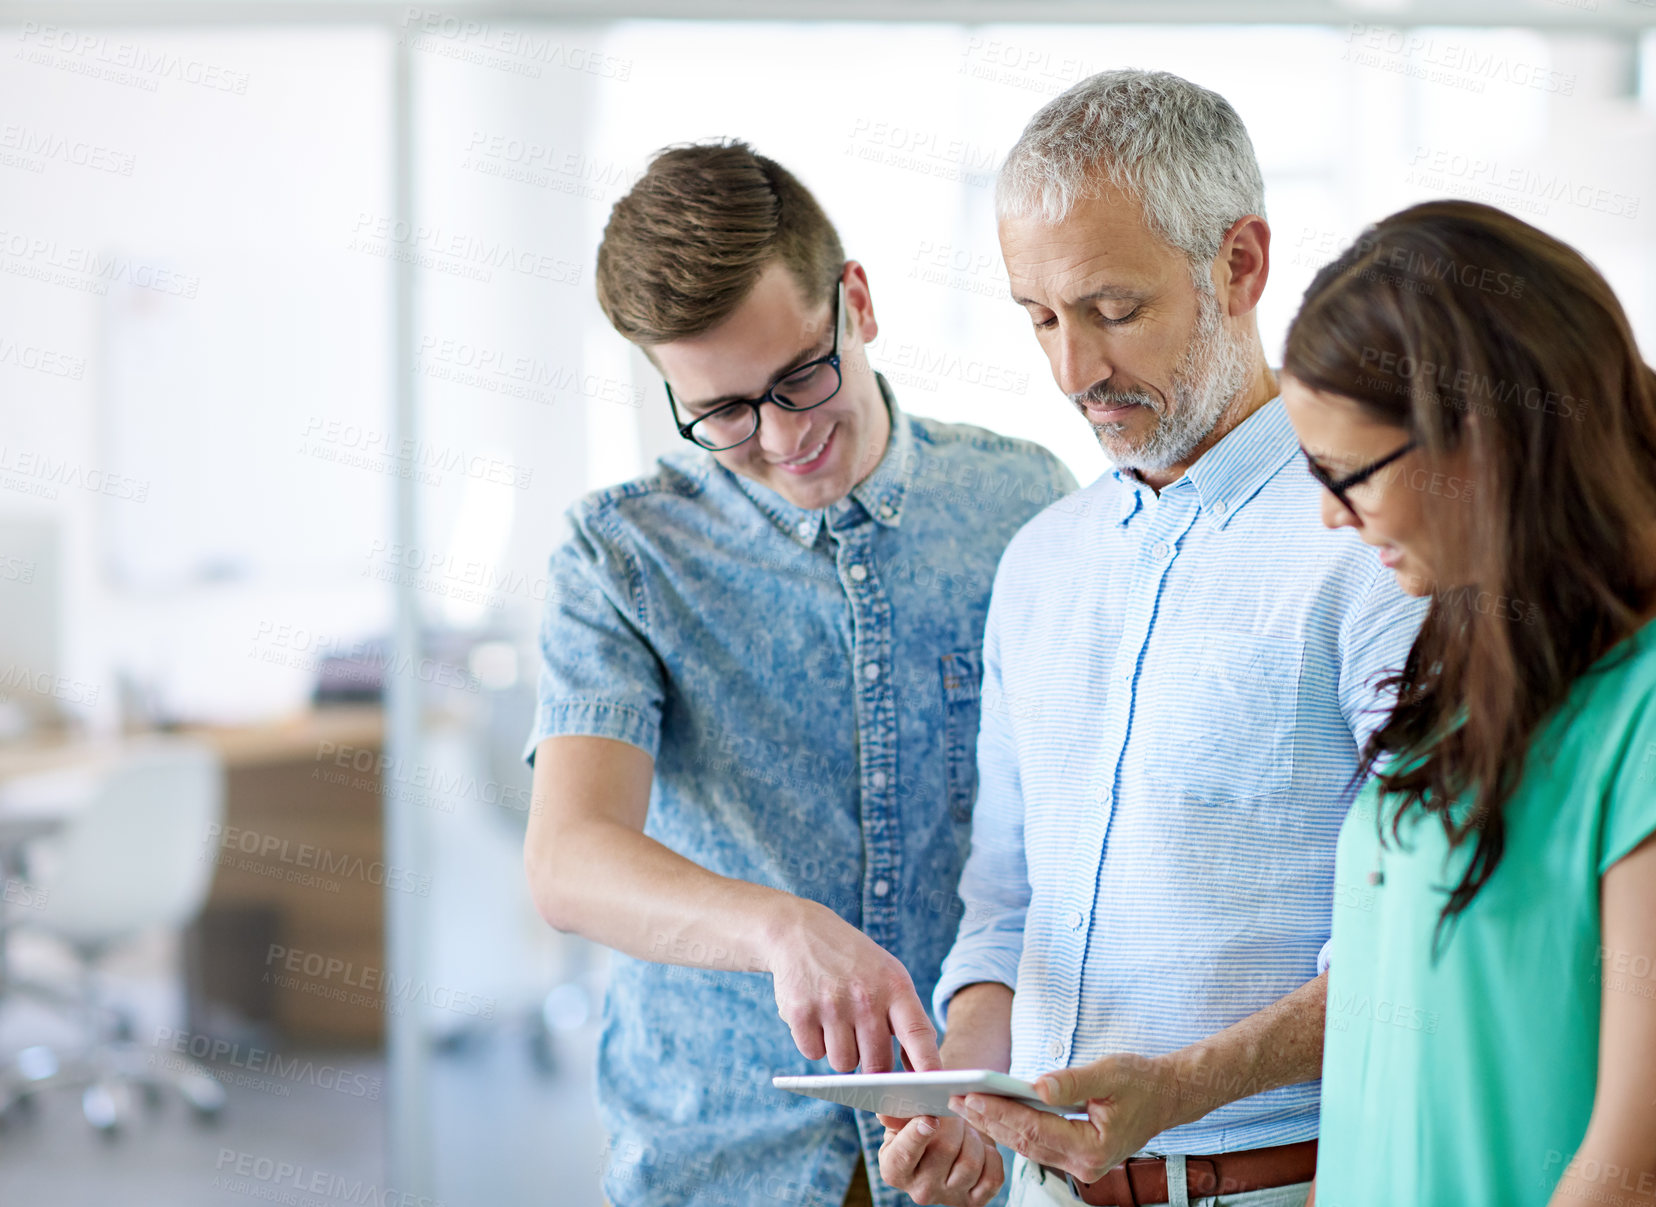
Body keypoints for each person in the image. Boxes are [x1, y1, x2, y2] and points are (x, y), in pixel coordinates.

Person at [878, 70, 1426, 1207]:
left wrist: (1183, 1085)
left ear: (1240, 265)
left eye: (1113, 311)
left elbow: (1427, 931)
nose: (1075, 371)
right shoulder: (1039, 562)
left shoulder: (1380, 542)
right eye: (1040, 318)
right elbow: (1004, 903)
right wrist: (972, 1096)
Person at [521, 139, 1078, 1207]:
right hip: (717, 1153)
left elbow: (1068, 836)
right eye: (725, 413)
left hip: (980, 1144)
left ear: (855, 301)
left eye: (799, 378)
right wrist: (781, 928)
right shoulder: (622, 555)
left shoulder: (1023, 503)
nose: (783, 437)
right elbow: (569, 857)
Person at [1275, 200, 1656, 1207]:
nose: (1328, 514)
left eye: (1346, 474)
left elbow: (1633, 1163)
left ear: (1478, 441)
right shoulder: (1462, 677)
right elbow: (1378, 1086)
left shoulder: (1643, 713)